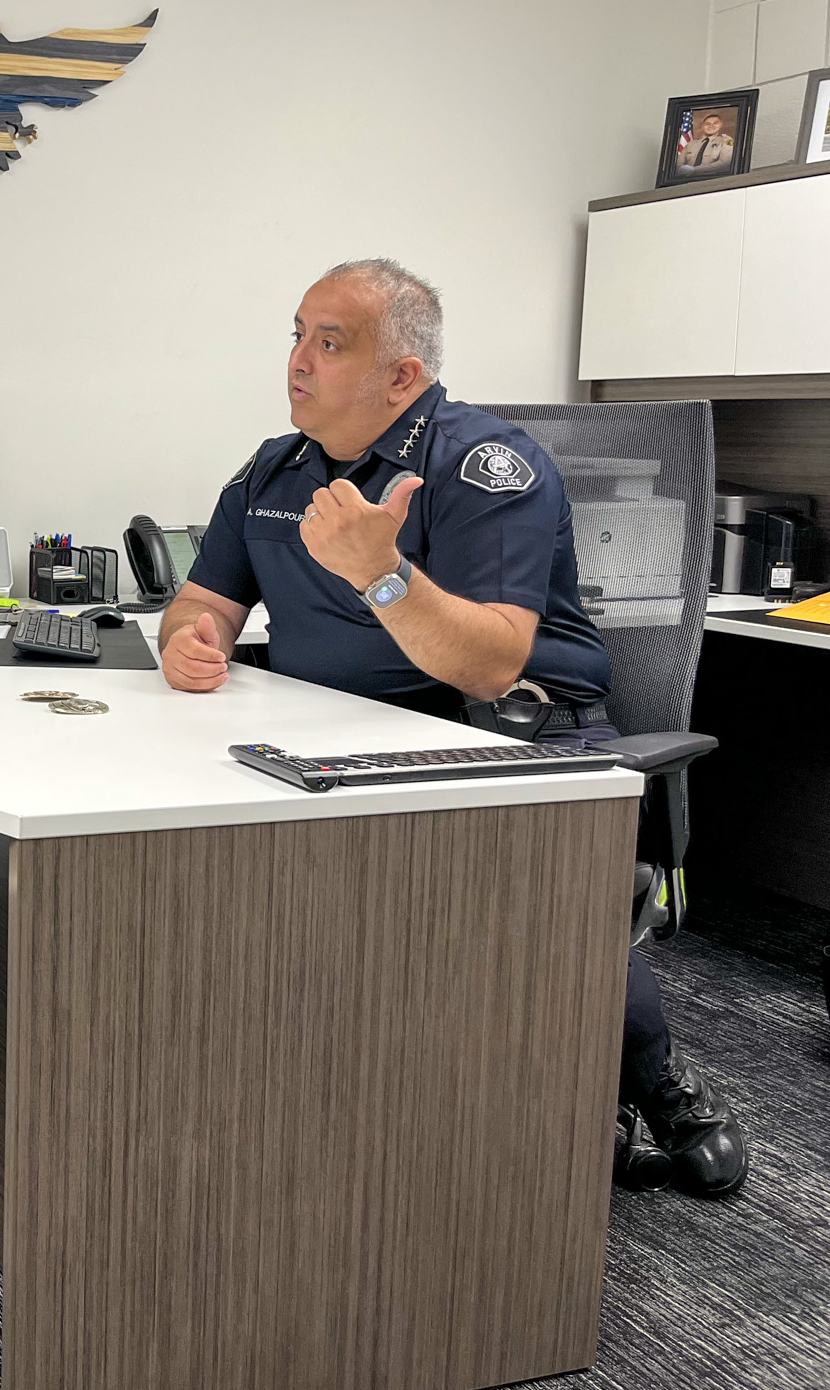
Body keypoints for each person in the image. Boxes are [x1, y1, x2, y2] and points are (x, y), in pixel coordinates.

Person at [157, 258, 748, 1197]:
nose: (298, 361)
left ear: (404, 376)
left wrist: (379, 572)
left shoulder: (483, 468)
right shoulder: (274, 469)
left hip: (510, 730)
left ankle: (647, 1078)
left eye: (330, 341)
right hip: (347, 734)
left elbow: (491, 659)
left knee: (543, 899)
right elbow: (201, 600)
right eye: (297, 334)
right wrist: (190, 641)